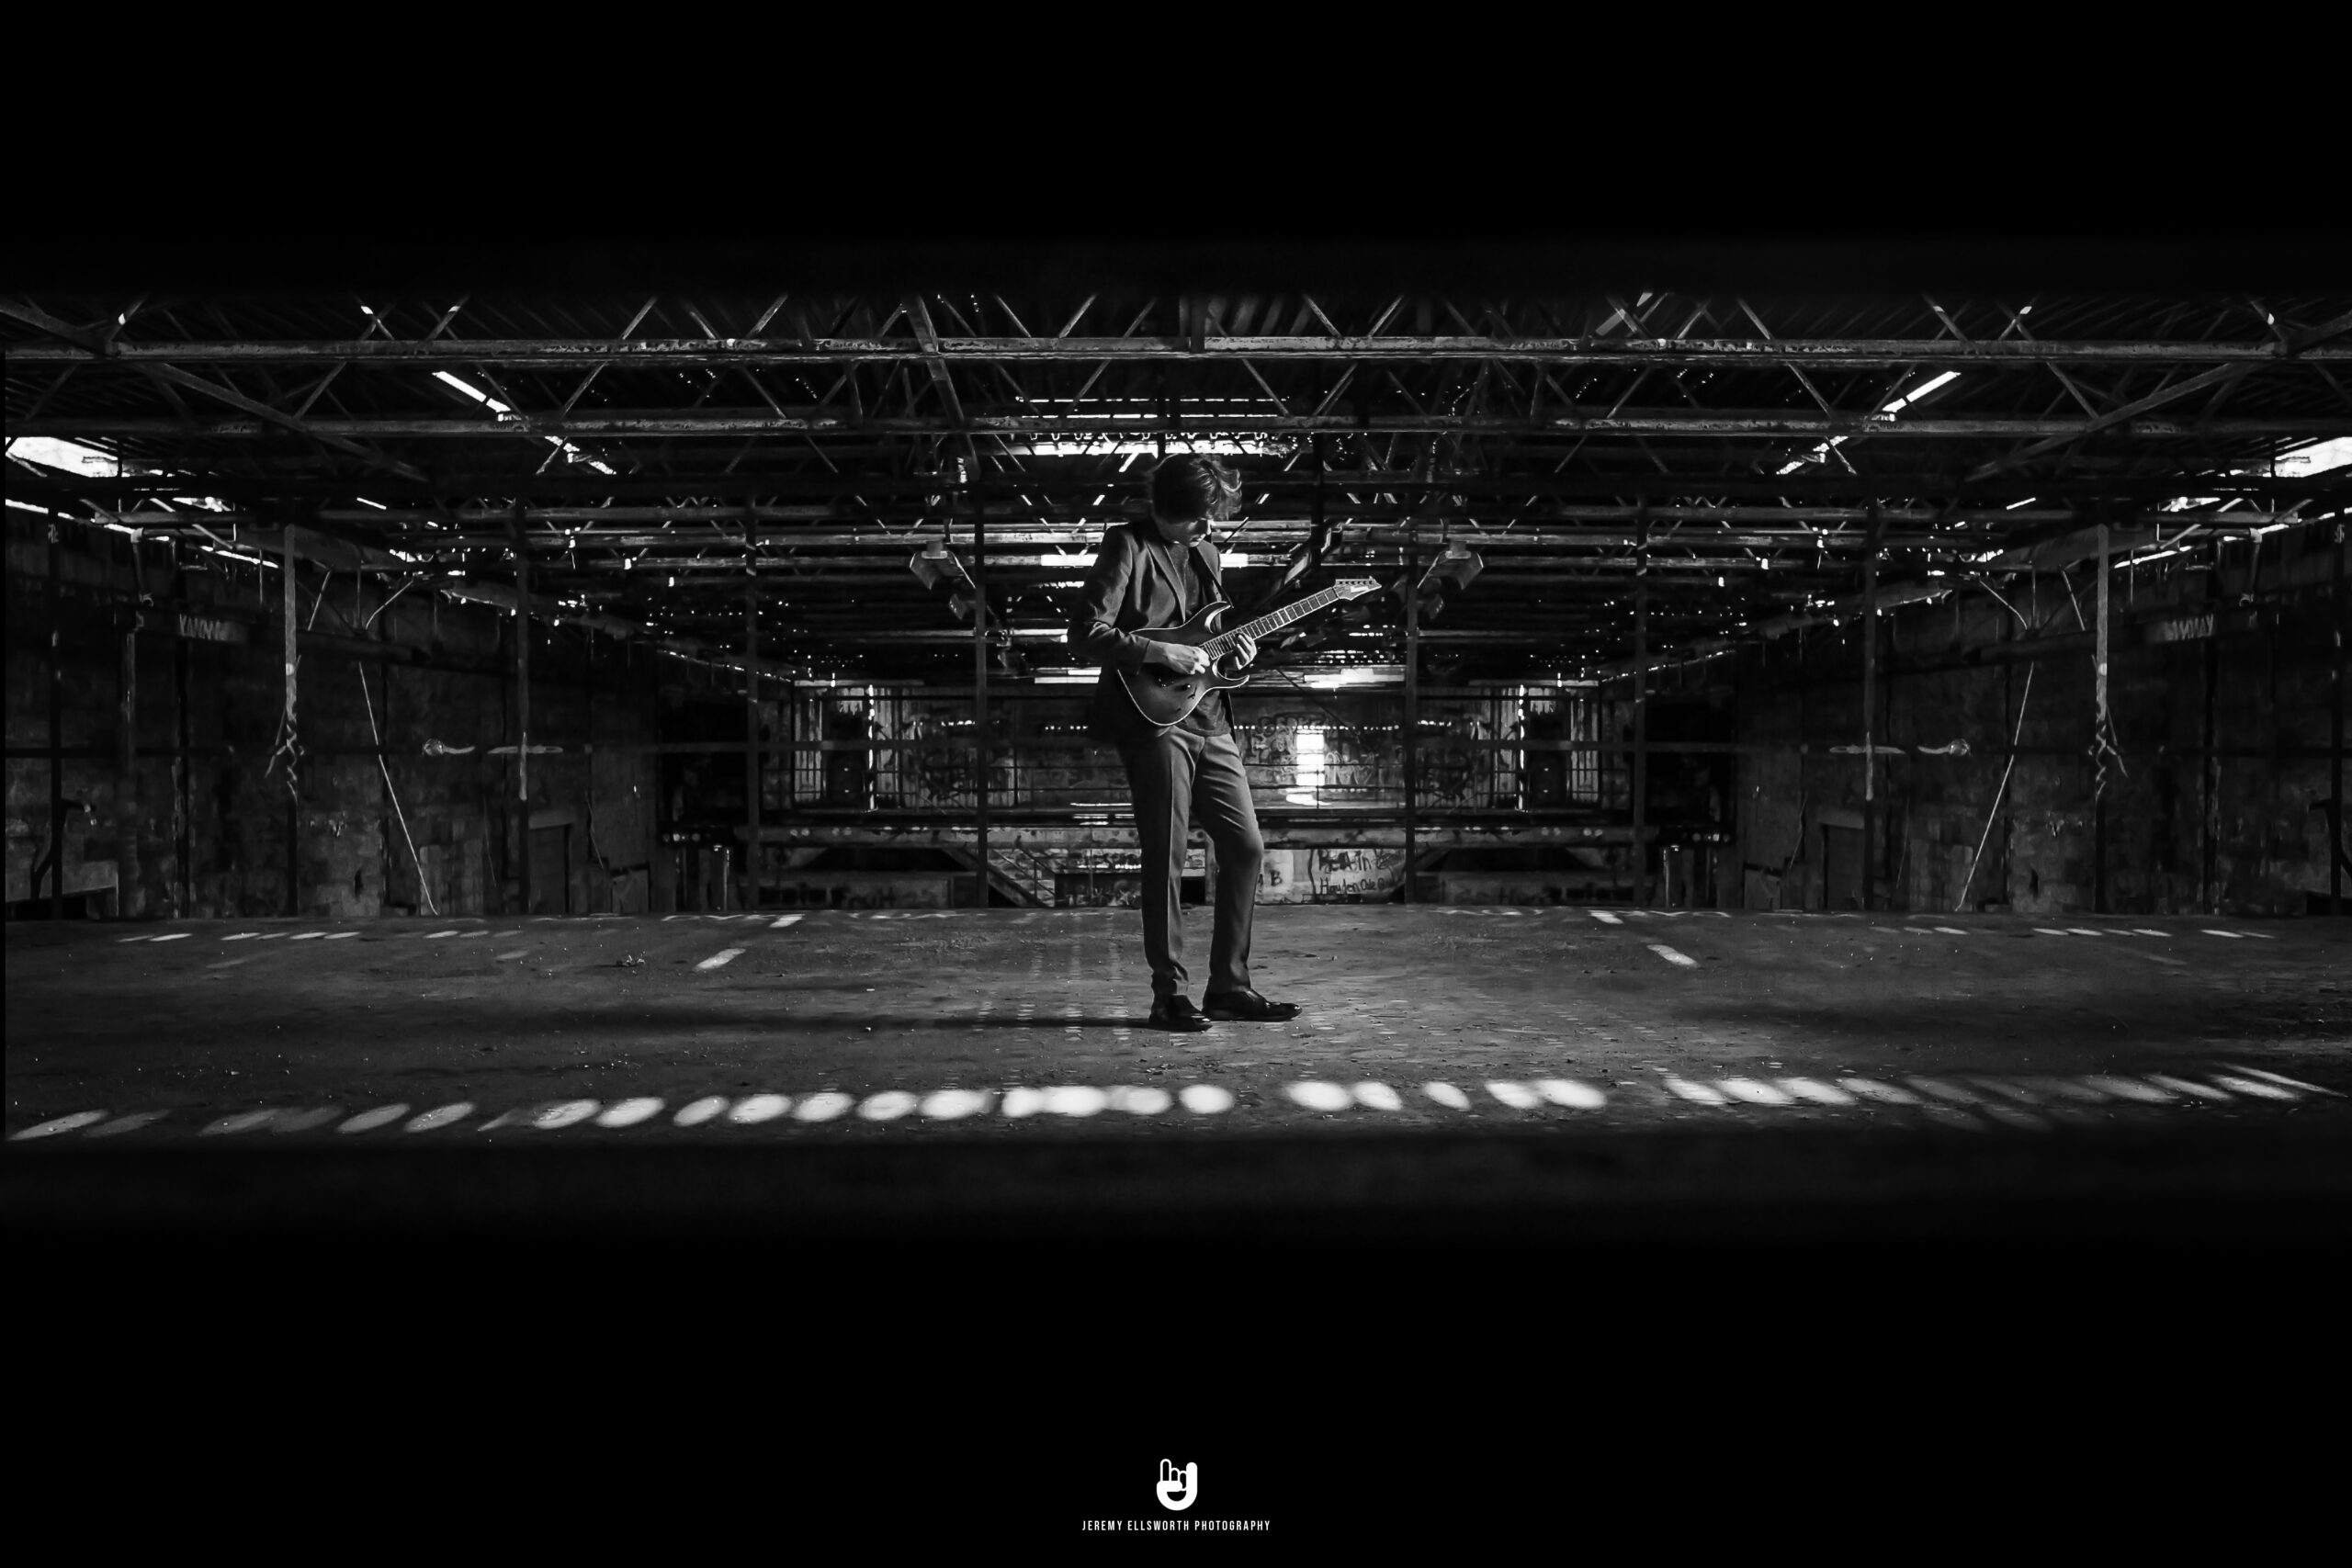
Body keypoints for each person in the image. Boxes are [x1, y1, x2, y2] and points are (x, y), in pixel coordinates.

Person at [1070, 454, 1303, 1032]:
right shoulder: (1127, 544)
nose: (1208, 529)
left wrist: (1236, 649)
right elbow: (1086, 631)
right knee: (1167, 859)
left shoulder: (1207, 553)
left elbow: (1209, 634)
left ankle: (1229, 986)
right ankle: (1168, 995)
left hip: (1210, 716)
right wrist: (1158, 652)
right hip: (1153, 721)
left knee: (1246, 846)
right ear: (1165, 510)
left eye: (1212, 519)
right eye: (1197, 520)